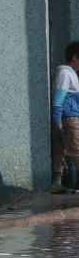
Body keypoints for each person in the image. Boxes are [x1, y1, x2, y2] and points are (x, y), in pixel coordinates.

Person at [50, 41, 79, 194]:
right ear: (74, 57)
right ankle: (56, 184)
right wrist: (56, 120)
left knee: (60, 151)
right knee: (77, 151)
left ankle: (57, 183)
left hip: (65, 119)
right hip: (69, 120)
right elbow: (59, 98)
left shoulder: (71, 74)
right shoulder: (65, 73)